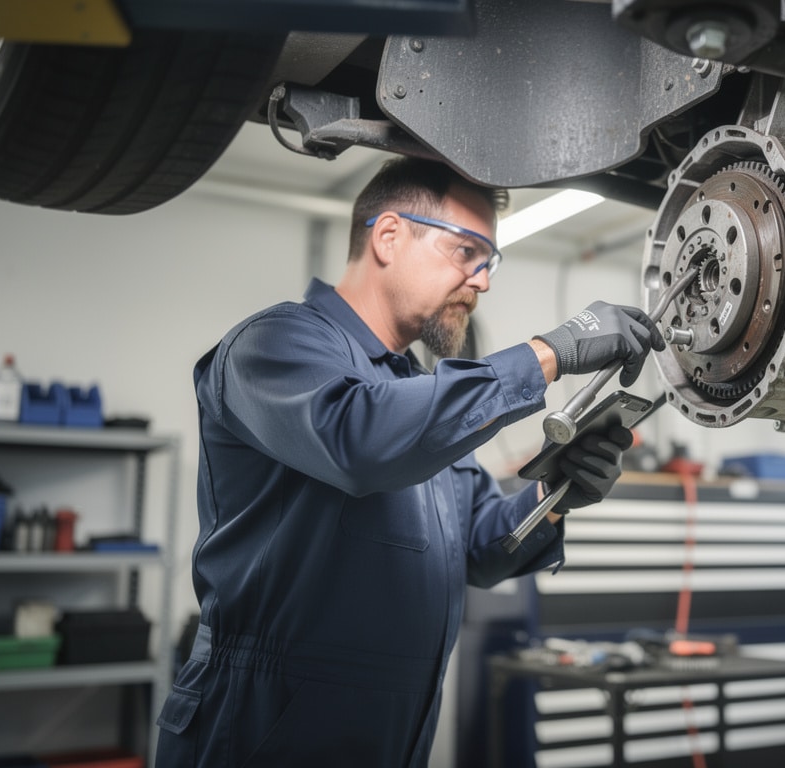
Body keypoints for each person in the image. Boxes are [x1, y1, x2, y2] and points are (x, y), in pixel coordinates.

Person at [154, 157, 665, 767]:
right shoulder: (275, 345)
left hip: (392, 734)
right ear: (389, 236)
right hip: (265, 730)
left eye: (490, 261)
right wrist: (548, 354)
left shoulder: (420, 394)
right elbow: (361, 441)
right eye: (467, 251)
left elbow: (475, 546)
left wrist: (554, 494)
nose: (482, 281)